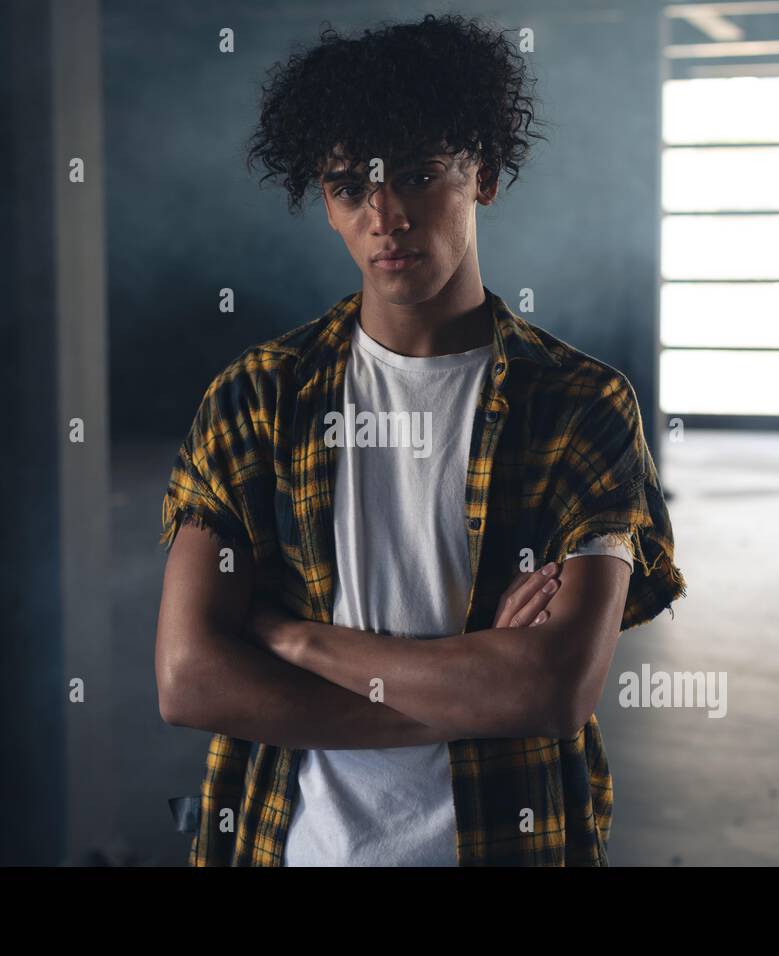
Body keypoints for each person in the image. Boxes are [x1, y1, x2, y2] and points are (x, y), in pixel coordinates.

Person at [154, 13, 686, 867]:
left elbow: (554, 690)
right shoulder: (258, 399)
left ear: (486, 175)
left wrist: (292, 640)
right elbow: (189, 679)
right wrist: (477, 686)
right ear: (325, 204)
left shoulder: (580, 407)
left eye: (418, 173)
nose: (386, 213)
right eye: (349, 185)